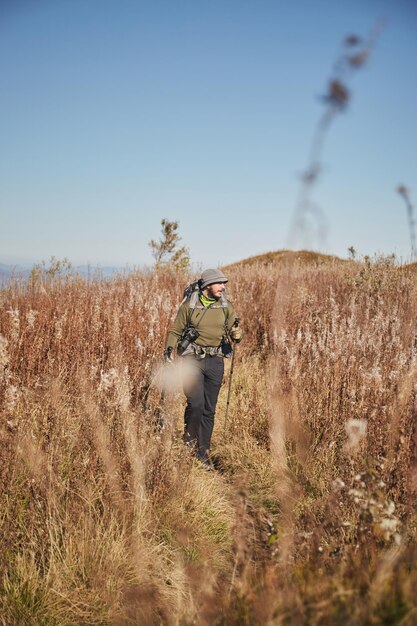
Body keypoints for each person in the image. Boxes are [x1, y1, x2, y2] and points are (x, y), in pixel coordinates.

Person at [164, 268, 242, 468]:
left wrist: (236, 334)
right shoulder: (189, 305)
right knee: (196, 404)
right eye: (220, 283)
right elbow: (175, 330)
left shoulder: (225, 305)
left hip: (215, 360)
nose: (223, 287)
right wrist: (169, 351)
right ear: (208, 285)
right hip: (192, 360)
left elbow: (235, 328)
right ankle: (189, 445)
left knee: (209, 408)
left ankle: (203, 453)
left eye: (224, 284)